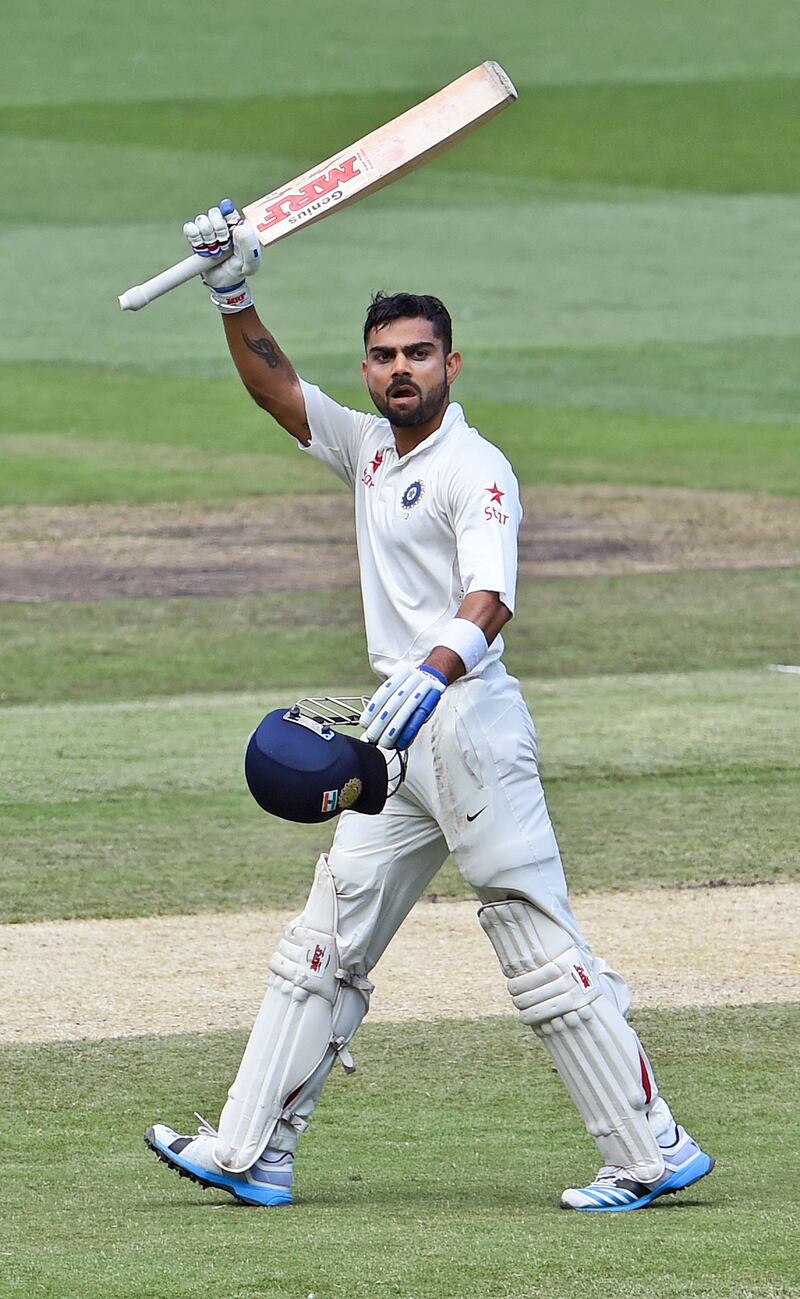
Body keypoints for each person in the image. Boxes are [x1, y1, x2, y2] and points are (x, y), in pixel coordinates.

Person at [146, 203, 715, 1213]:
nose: (396, 370)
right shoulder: (368, 449)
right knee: (325, 937)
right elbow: (280, 392)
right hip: (392, 744)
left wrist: (433, 668)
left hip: (467, 727)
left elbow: (489, 597)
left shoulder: (474, 469)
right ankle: (249, 1151)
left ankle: (647, 1151)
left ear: (453, 365)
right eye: (380, 356)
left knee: (532, 945)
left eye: (416, 354)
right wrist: (231, 293)